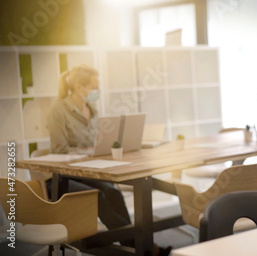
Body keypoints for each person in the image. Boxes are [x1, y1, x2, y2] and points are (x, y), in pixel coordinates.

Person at [46, 65, 171, 255]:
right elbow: (59, 150)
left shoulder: (93, 110)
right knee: (99, 197)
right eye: (95, 86)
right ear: (79, 87)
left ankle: (135, 246)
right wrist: (88, 152)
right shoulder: (59, 110)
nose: (98, 91)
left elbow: (98, 143)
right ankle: (142, 247)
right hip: (60, 178)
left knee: (114, 193)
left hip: (87, 171)